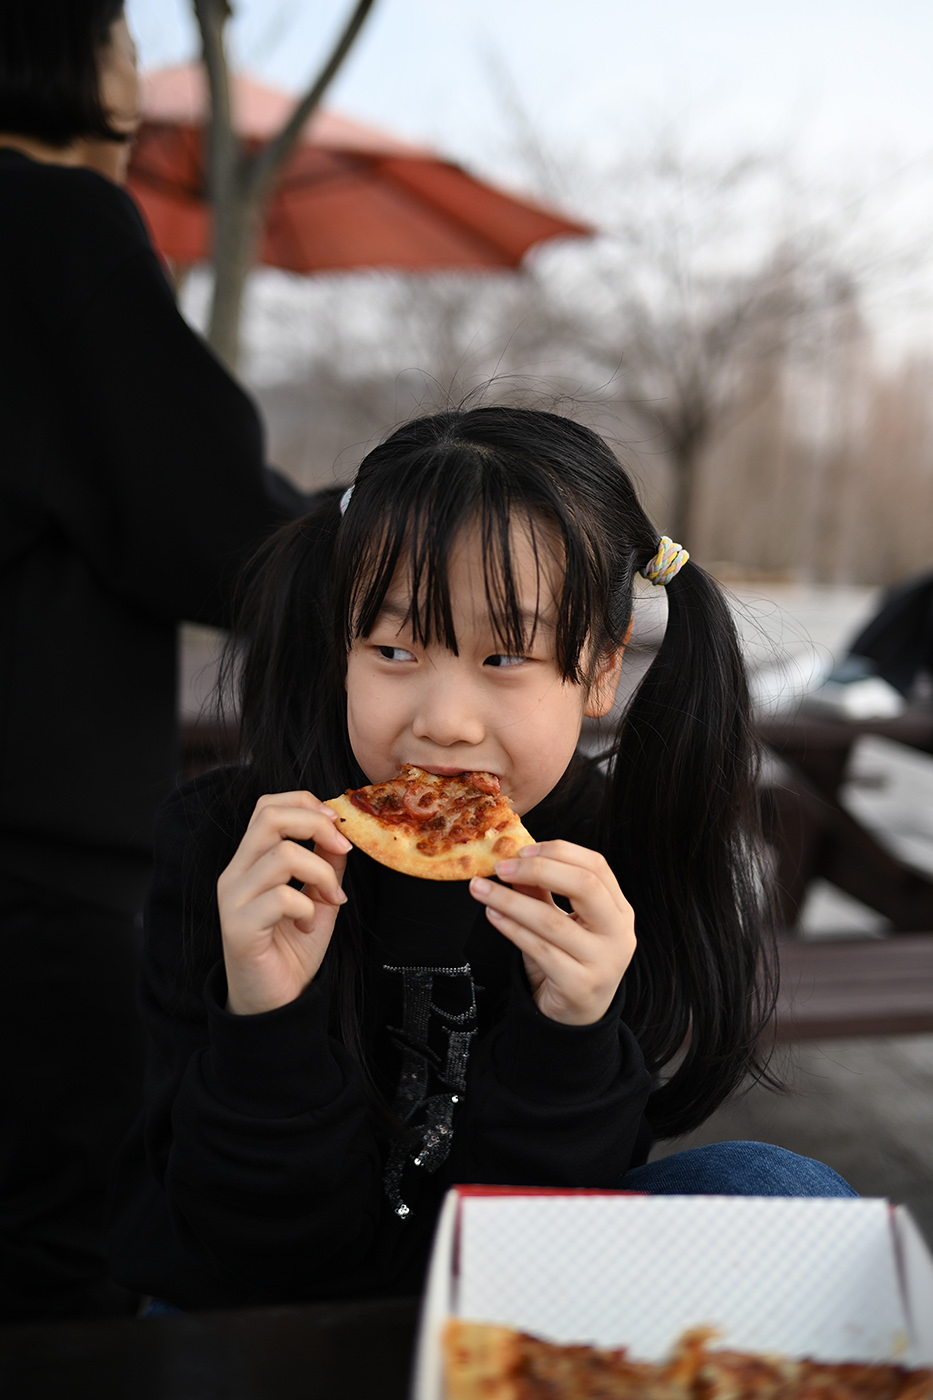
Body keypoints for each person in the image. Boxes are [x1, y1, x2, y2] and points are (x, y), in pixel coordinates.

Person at [109, 406, 856, 1314]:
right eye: (392, 649)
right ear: (340, 649)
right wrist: (264, 1014)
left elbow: (540, 1251)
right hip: (259, 1301)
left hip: (510, 1296)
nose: (444, 721)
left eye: (505, 655)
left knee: (781, 1194)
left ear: (600, 667)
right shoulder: (236, 851)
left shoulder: (612, 864)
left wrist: (570, 1034)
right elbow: (233, 1243)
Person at [0, 1, 312, 1321]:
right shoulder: (53, 223)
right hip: (34, 850)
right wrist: (407, 547)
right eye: (121, 28)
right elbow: (210, 521)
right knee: (56, 1250)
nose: (135, 54)